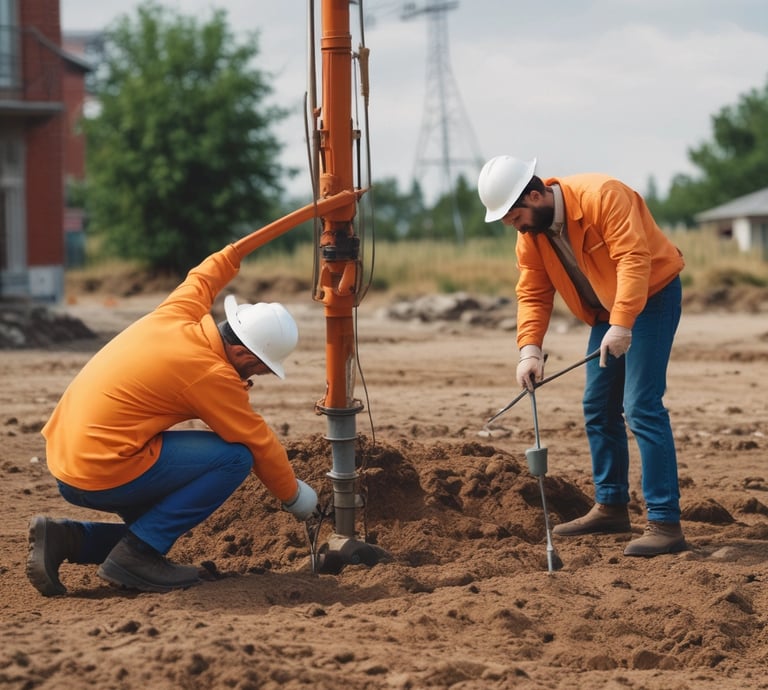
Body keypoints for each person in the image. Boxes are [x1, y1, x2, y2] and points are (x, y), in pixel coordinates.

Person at [27, 242, 318, 595]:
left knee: (152, 523)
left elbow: (203, 277)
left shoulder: (177, 314)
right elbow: (259, 442)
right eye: (259, 367)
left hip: (65, 457)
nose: (256, 377)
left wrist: (235, 253)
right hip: (99, 468)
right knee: (234, 458)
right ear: (241, 352)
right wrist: (296, 498)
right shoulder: (212, 374)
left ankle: (66, 539)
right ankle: (136, 557)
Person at [478, 155, 687, 557]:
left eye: (514, 216)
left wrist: (623, 323)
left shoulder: (601, 196)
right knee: (597, 404)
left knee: (641, 405)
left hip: (652, 297)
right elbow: (534, 292)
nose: (514, 227)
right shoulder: (532, 236)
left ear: (536, 195)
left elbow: (633, 258)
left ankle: (665, 522)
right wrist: (529, 351)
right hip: (607, 312)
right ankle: (611, 506)